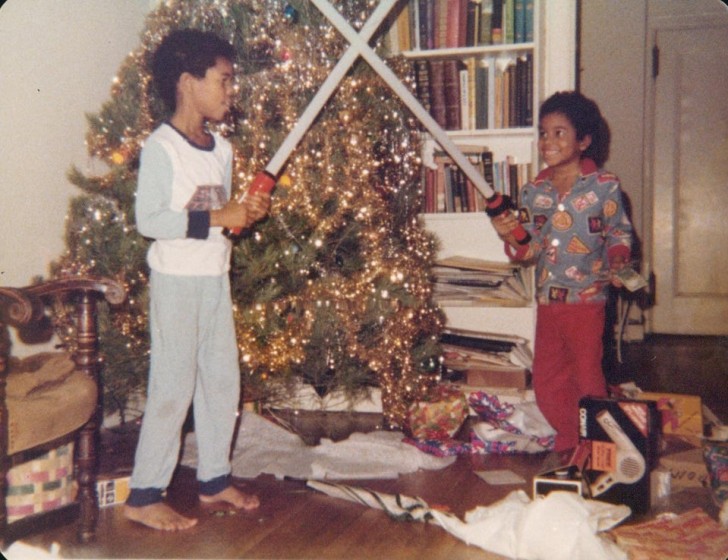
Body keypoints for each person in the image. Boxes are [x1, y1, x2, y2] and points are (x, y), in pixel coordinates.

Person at [125, 28, 271, 531]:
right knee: (172, 387)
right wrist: (216, 216)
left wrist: (245, 213)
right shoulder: (161, 148)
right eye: (224, 80)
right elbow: (151, 220)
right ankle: (144, 493)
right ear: (188, 82)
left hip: (213, 280)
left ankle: (213, 480)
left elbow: (220, 215)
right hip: (176, 284)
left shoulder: (221, 150)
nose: (231, 91)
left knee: (221, 382)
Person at [490, 91, 634, 452]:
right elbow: (528, 249)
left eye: (559, 133)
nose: (547, 142)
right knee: (547, 381)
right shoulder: (533, 191)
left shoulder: (604, 186)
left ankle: (598, 444)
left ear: (583, 140)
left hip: (587, 301)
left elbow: (619, 230)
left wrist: (618, 256)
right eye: (543, 133)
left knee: (587, 377)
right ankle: (571, 437)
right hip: (548, 301)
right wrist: (509, 234)